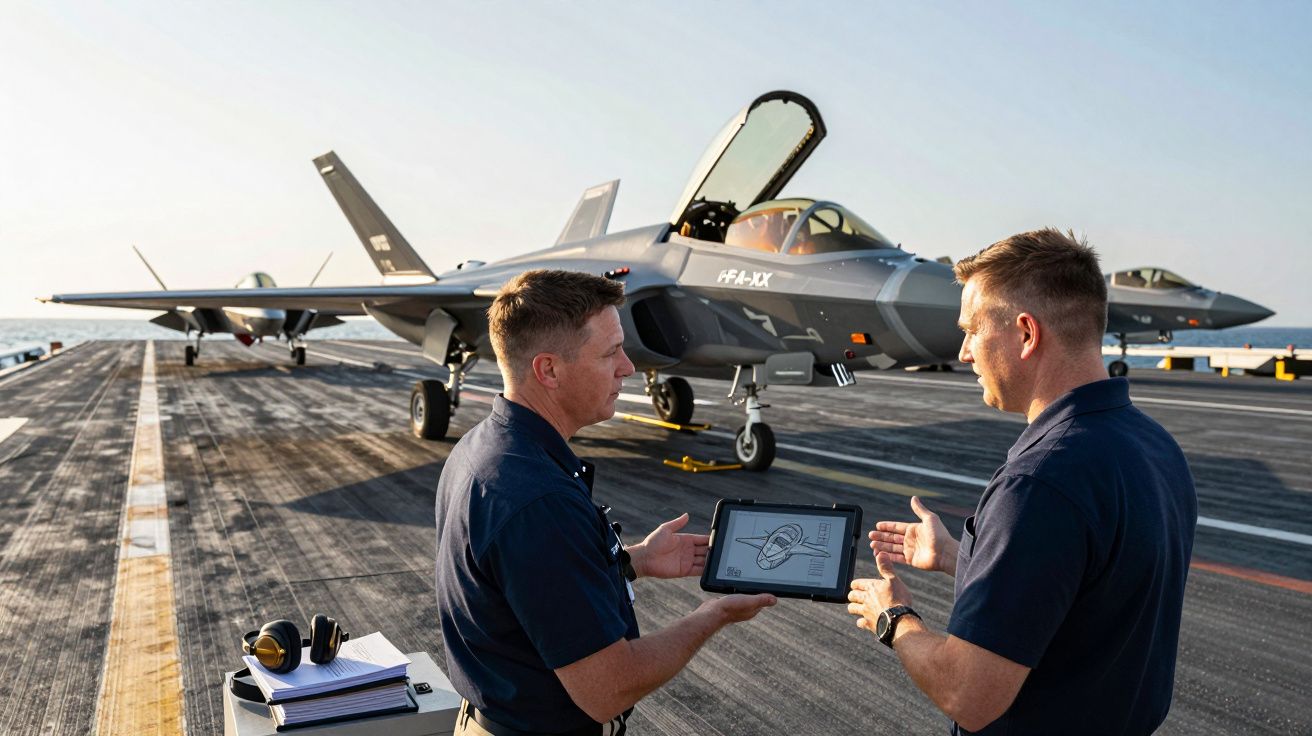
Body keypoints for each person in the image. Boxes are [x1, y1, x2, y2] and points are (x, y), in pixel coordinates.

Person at [846, 229, 1198, 734]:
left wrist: (894, 617)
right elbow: (1085, 593)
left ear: (1027, 334)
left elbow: (968, 694)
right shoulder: (1155, 445)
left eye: (972, 330)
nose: (964, 352)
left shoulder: (1040, 482)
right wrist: (956, 556)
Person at [435, 269, 776, 736]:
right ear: (548, 369)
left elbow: (526, 588)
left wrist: (632, 561)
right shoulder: (537, 498)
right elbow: (606, 690)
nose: (628, 368)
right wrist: (712, 616)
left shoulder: (483, 448)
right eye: (611, 352)